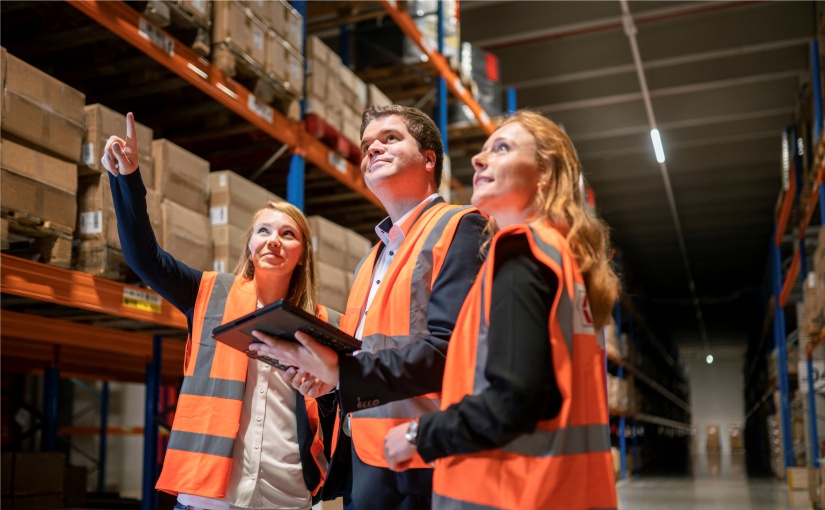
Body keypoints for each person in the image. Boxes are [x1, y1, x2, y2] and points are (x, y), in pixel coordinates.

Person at [248, 105, 487, 510]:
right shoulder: (370, 260)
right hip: (365, 460)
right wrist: (329, 384)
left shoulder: (462, 227)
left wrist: (341, 372)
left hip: (424, 460)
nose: (373, 148)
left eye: (390, 138)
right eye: (366, 145)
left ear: (429, 159)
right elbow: (364, 356)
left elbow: (450, 352)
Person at [382, 110, 620, 509]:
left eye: (503, 148)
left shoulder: (522, 253)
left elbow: (514, 402)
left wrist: (417, 436)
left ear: (545, 174)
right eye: (483, 149)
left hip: (506, 493)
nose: (478, 158)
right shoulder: (555, 255)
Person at [103, 113, 334, 510]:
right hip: (210, 496)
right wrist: (128, 180)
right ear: (249, 246)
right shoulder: (210, 293)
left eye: (288, 234)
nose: (273, 240)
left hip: (287, 496)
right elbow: (145, 259)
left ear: (302, 255)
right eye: (263, 231)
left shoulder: (325, 324)